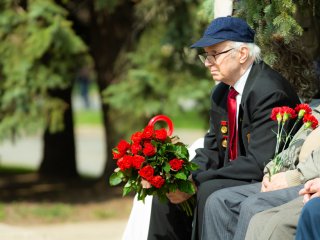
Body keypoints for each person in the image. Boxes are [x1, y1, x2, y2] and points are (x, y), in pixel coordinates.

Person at [147, 16, 300, 240]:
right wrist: (182, 176)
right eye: (206, 55)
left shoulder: (268, 91)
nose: (208, 62)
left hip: (270, 178)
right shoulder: (222, 93)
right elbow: (212, 149)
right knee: (166, 193)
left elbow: (260, 162)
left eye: (214, 54)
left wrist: (197, 182)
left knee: (208, 190)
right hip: (236, 174)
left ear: (242, 54)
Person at [201, 106, 320, 240]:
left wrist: (292, 177)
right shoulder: (318, 111)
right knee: (219, 200)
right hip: (293, 174)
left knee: (254, 205)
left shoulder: (266, 90)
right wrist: (272, 170)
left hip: (308, 181)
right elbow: (295, 146)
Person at [245, 172, 320, 239]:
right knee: (258, 220)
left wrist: (292, 177)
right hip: (309, 179)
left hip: (306, 178)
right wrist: (270, 173)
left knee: (280, 224)